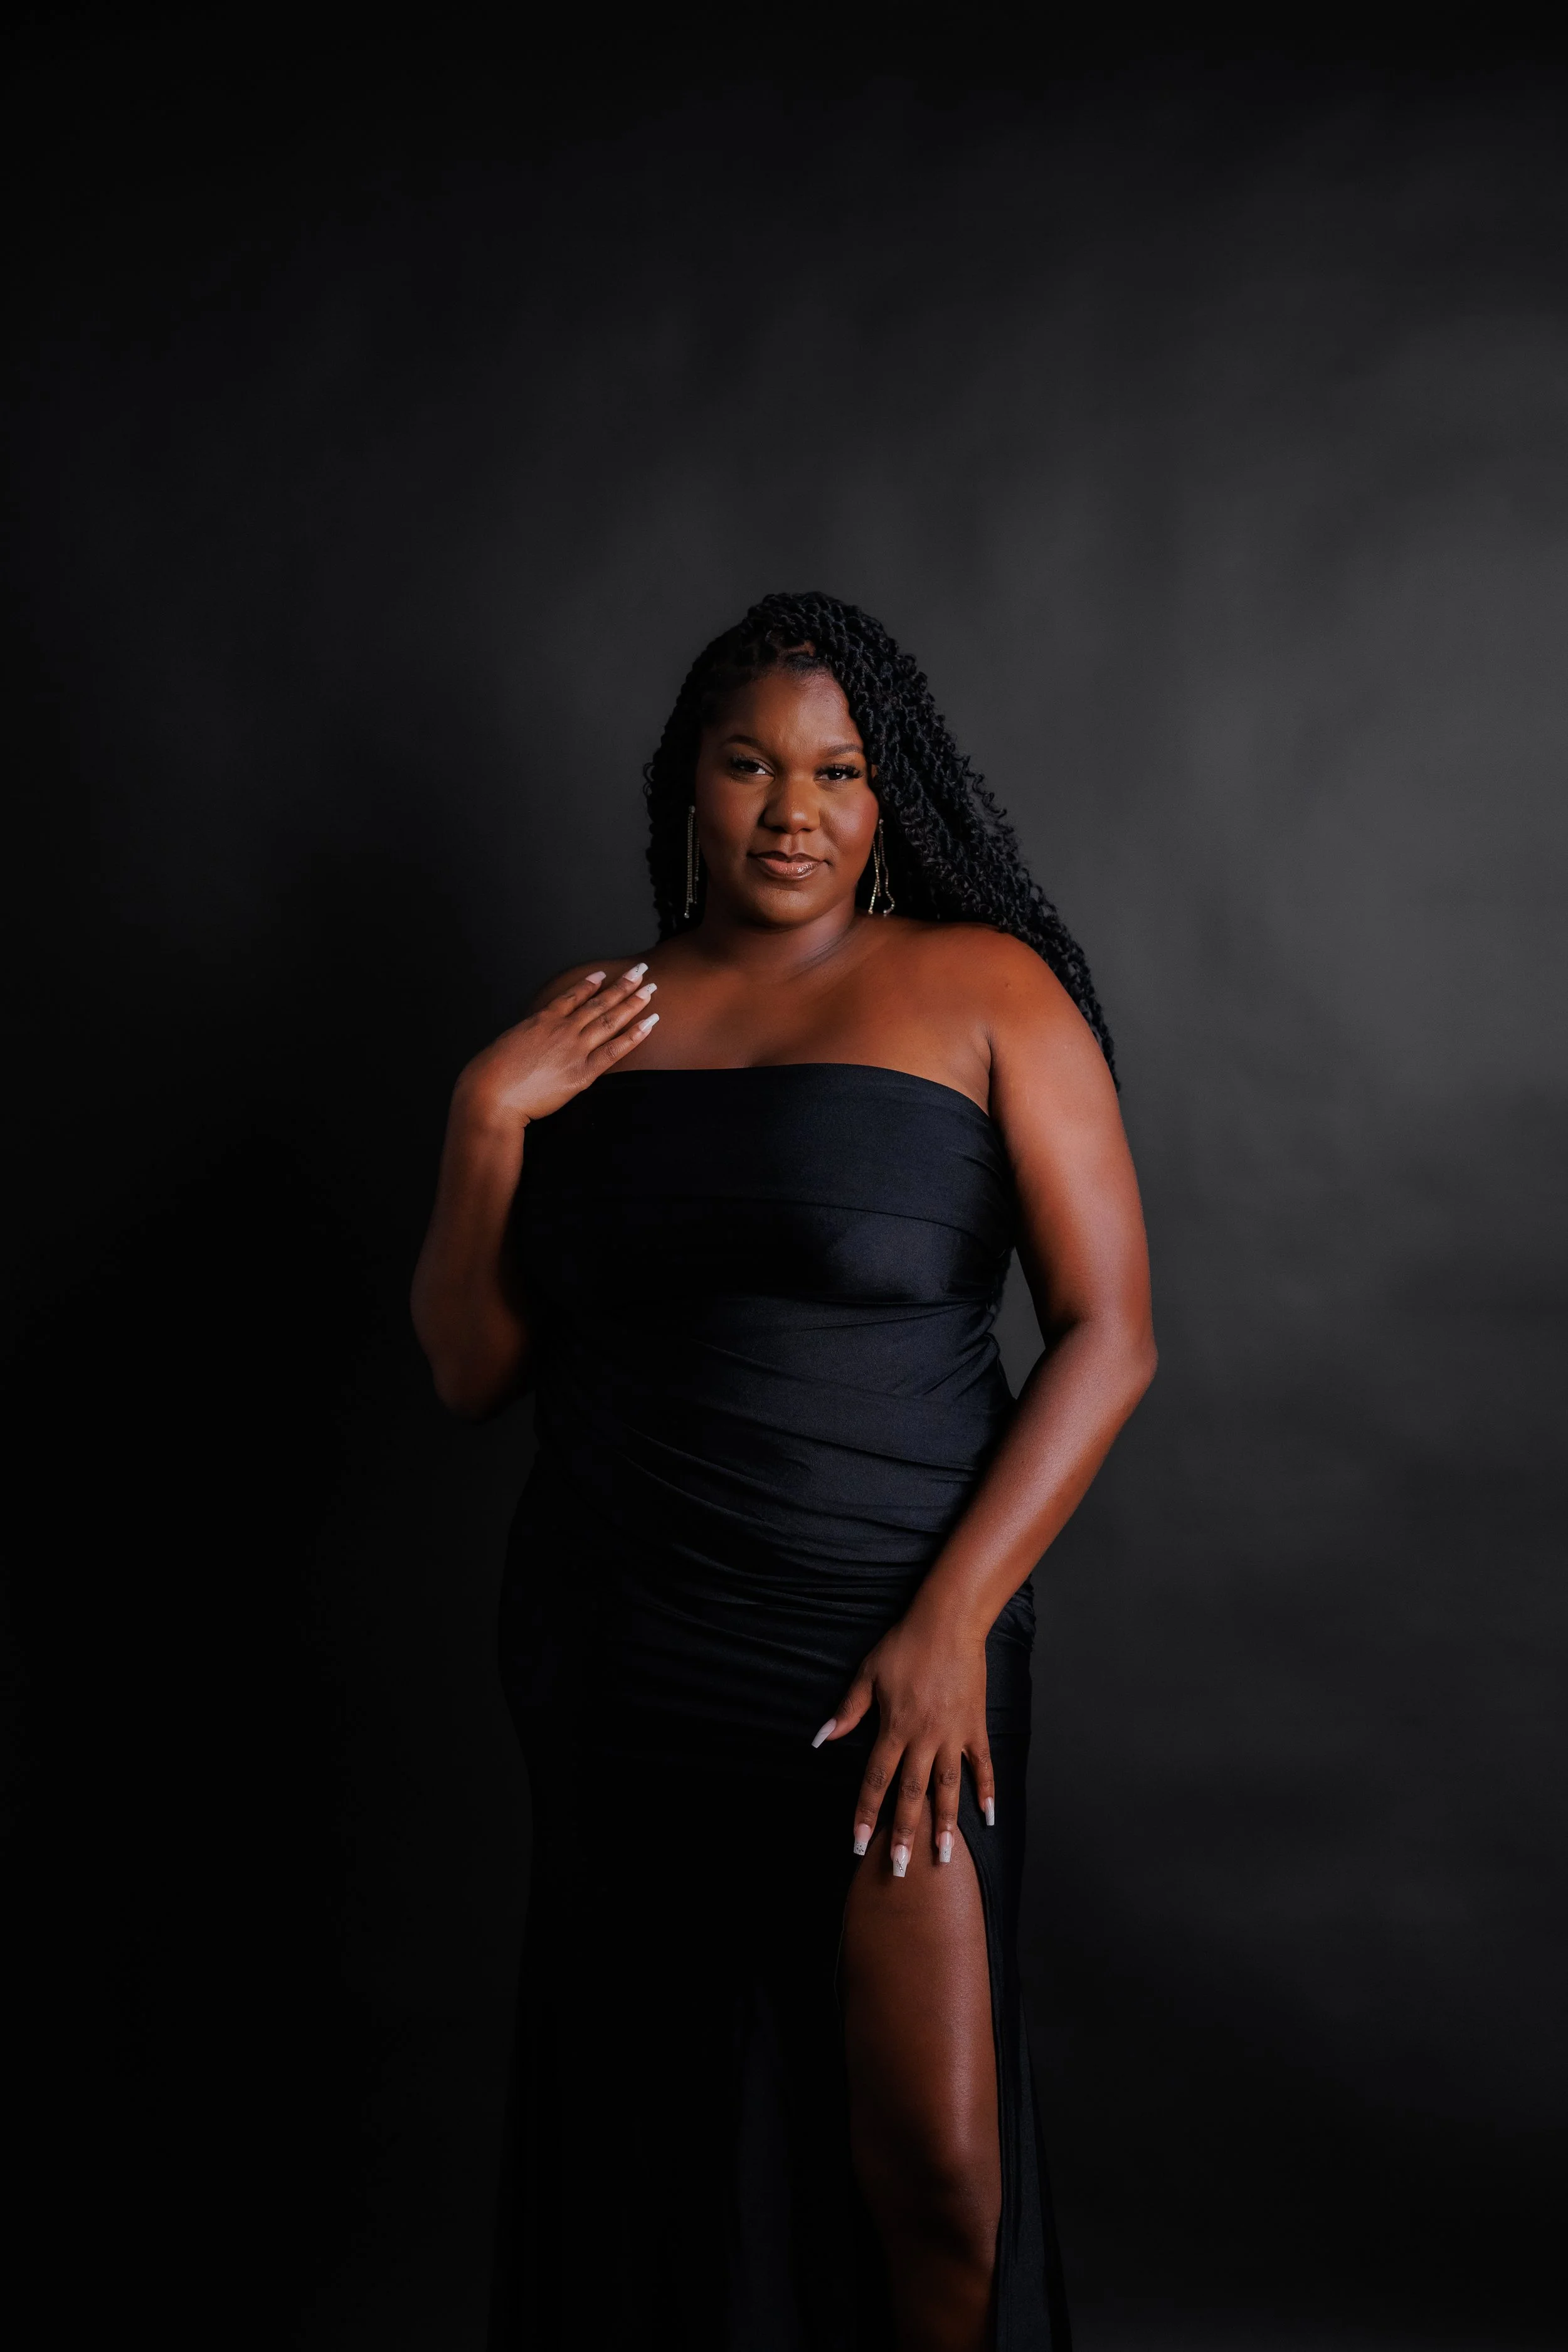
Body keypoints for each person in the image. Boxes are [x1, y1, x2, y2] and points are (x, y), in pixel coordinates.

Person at [411, 592, 1155, 2352]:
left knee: (936, 2169)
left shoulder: (985, 990)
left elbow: (1109, 1330)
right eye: (748, 764)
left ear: (888, 796)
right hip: (623, 1644)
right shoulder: (596, 1017)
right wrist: (485, 1117)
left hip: (890, 1649)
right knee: (659, 2135)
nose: (790, 808)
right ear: (688, 785)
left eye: (835, 769)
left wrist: (946, 1626)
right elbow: (469, 1369)